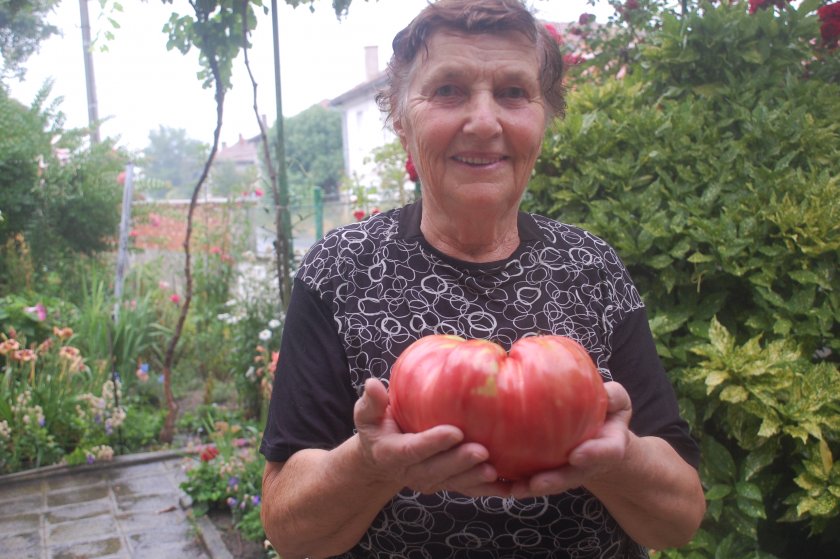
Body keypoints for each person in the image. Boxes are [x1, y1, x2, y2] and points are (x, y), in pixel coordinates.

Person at [259, 0, 706, 557]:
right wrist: (368, 466)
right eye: (448, 90)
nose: (484, 122)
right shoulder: (340, 270)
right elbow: (289, 531)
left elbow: (679, 522)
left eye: (514, 92)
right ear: (401, 118)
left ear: (544, 117)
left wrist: (620, 460)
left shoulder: (592, 268)